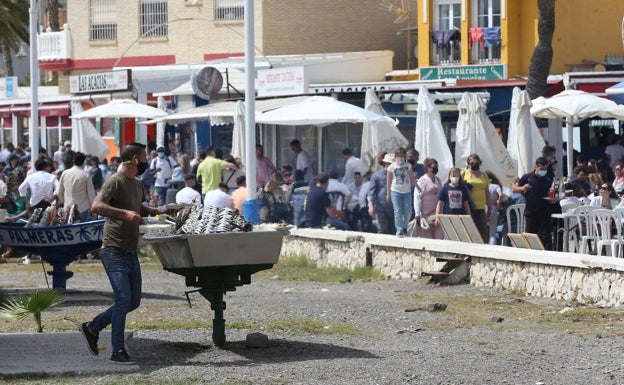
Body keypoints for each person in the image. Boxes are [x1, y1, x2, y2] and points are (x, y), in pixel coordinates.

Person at [79, 142, 171, 365]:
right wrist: (124, 214)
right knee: (122, 298)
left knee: (133, 301)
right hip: (113, 249)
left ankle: (92, 327)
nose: (148, 161)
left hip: (129, 250)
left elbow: (138, 209)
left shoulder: (137, 183)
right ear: (135, 160)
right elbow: (97, 206)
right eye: (145, 157)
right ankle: (117, 350)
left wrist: (161, 210)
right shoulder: (114, 181)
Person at [513, 157, 557, 251]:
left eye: (545, 169)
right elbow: (514, 188)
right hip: (531, 211)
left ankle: (546, 254)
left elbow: (550, 196)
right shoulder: (527, 177)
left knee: (546, 236)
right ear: (536, 167)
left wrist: (553, 200)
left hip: (544, 212)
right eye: (541, 169)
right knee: (530, 235)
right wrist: (522, 188)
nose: (543, 171)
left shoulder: (548, 181)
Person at [461, 153, 493, 243]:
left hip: (481, 207)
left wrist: (490, 207)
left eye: (477, 163)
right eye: (472, 163)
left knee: (483, 229)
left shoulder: (484, 175)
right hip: (468, 207)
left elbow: (487, 191)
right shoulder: (463, 174)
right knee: (470, 231)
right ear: (468, 164)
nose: (474, 165)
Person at [387, 147, 418, 237]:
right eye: (398, 156)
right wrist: (388, 193)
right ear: (395, 156)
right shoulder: (391, 167)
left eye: (402, 156)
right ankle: (399, 229)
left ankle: (404, 226)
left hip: (407, 192)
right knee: (398, 211)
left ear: (404, 157)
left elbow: (412, 178)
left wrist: (418, 186)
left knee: (408, 211)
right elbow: (388, 181)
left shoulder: (408, 166)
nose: (400, 158)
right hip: (395, 191)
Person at [56, 152, 96, 222]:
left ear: (73, 161)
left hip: (67, 208)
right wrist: (93, 209)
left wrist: (63, 201)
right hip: (82, 209)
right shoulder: (86, 175)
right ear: (83, 162)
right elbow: (91, 194)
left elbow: (59, 191)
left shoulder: (65, 173)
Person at [414, 158, 443, 239]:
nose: (435, 169)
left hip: (437, 214)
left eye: (436, 167)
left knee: (439, 237)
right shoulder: (421, 181)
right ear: (427, 168)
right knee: (426, 238)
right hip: (425, 215)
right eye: (433, 167)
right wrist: (417, 214)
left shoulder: (438, 180)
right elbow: (417, 198)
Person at [367, 152, 395, 235]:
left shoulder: (397, 175)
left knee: (394, 231)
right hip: (381, 208)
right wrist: (370, 206)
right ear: (385, 163)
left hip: (394, 208)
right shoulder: (377, 175)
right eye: (389, 164)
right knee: (382, 231)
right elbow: (370, 192)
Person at [485, 171, 504, 245]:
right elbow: (501, 195)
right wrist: (498, 204)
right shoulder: (496, 186)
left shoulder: (485, 185)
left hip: (485, 206)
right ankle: (492, 246)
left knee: (483, 228)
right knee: (493, 231)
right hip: (494, 207)